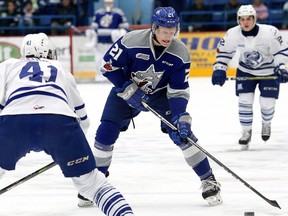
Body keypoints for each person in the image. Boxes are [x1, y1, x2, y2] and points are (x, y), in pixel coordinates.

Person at [78, 6, 222, 207]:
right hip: (126, 89)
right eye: (164, 31)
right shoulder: (131, 41)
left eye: (172, 31)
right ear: (154, 27)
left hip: (160, 95)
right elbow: (107, 65)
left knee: (182, 134)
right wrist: (126, 87)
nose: (168, 36)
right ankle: (94, 184)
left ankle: (208, 179)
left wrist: (181, 115)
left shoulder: (180, 53)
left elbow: (179, 90)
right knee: (106, 132)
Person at [0, 32, 135, 216]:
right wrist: (68, 148)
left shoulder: (8, 66)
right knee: (94, 185)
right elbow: (84, 122)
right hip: (59, 122)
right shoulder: (63, 72)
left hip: (14, 120)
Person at [211, 5, 288, 150]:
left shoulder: (270, 32)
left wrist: (281, 68)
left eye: (249, 18)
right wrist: (220, 68)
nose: (246, 22)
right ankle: (246, 132)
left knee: (267, 104)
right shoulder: (232, 34)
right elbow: (224, 52)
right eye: (242, 19)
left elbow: (280, 51)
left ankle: (266, 123)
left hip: (269, 72)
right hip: (245, 71)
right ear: (238, 20)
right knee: (244, 101)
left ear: (255, 18)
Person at [85, 0, 129, 82]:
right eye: (107, 2)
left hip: (112, 42)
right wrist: (92, 33)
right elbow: (94, 26)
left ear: (113, 3)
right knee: (98, 59)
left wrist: (118, 32)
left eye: (110, 2)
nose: (108, 4)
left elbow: (125, 26)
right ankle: (99, 76)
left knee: (111, 60)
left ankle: (111, 77)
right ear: (104, 3)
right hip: (100, 42)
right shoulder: (98, 13)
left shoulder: (119, 13)